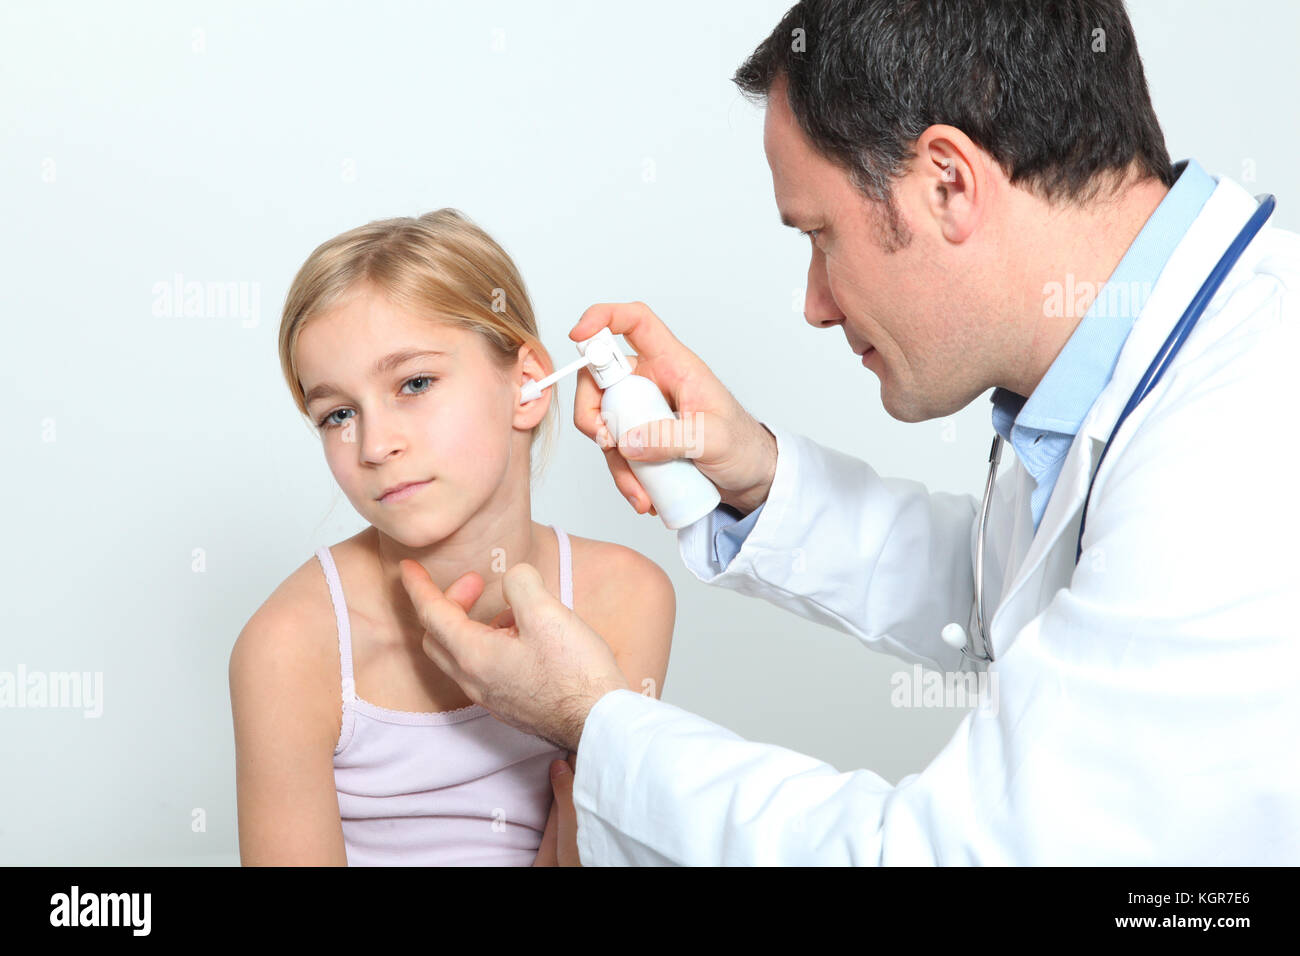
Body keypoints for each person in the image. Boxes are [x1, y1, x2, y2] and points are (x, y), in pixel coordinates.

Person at [399, 0, 1300, 864]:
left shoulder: (1240, 444)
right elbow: (1018, 592)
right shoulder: (1132, 371)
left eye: (821, 235)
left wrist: (592, 724)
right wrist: (752, 474)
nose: (816, 305)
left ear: (948, 181)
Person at [229, 209, 674, 865]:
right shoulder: (289, 647)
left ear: (527, 385)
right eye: (338, 413)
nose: (376, 444)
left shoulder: (626, 598)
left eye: (415, 383)